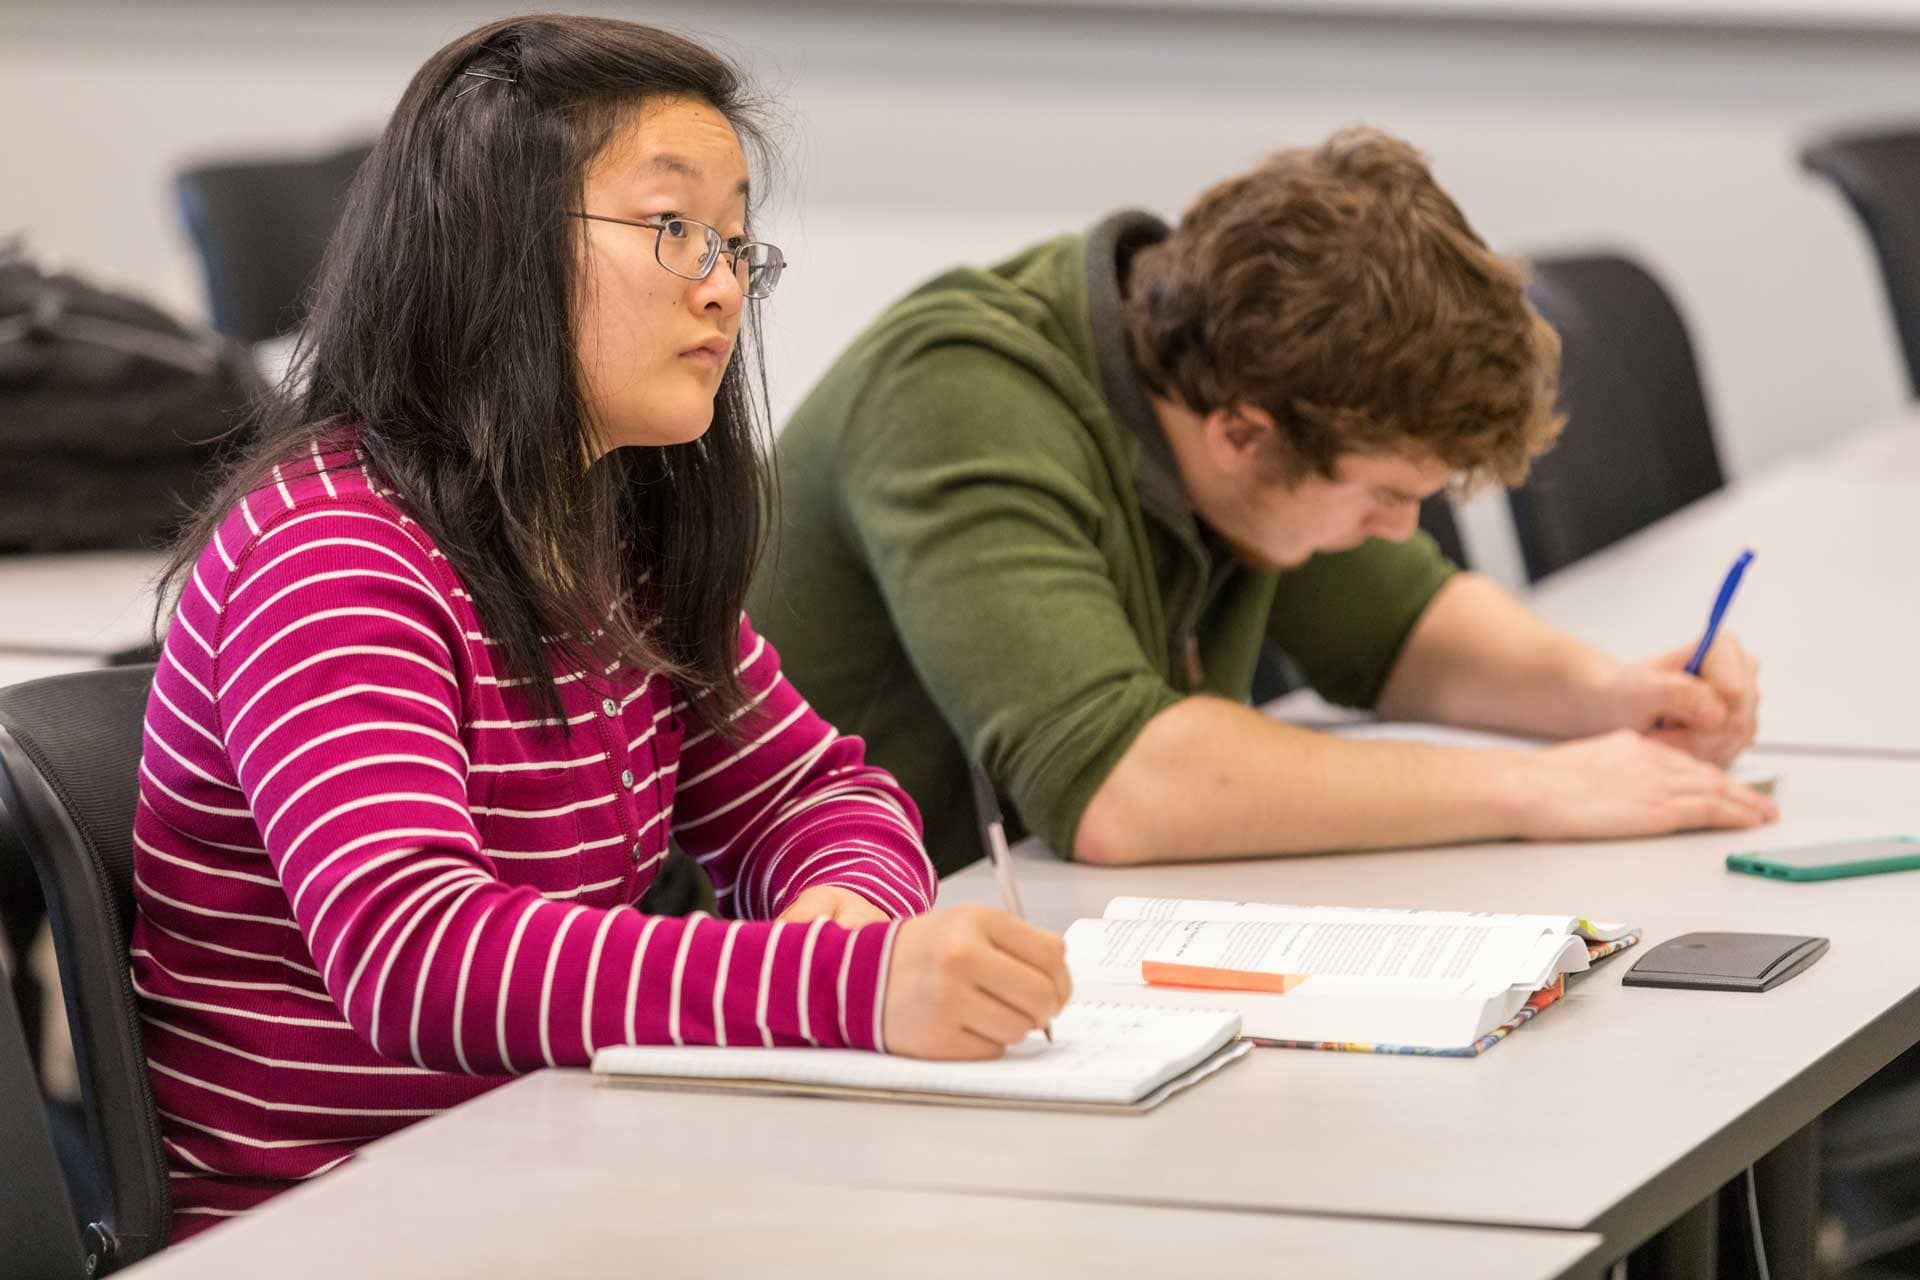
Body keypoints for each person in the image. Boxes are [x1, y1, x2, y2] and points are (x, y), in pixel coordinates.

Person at [131, 15, 1068, 1239]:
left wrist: (844, 907)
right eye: (673, 227)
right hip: (347, 1227)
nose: (725, 281)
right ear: (495, 247)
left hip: (569, 1174)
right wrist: (837, 985)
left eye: (736, 239)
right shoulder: (333, 552)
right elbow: (419, 951)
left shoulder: (610, 535)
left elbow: (818, 794)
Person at [749, 127, 1773, 879]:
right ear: (1245, 431)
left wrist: (1616, 698)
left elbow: (1403, 626)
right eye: (1380, 494)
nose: (1400, 525)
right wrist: (1542, 790)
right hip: (791, 991)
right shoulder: (956, 394)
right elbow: (1124, 788)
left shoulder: (1217, 390)